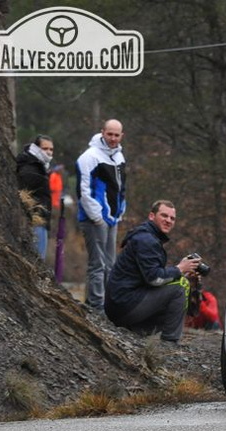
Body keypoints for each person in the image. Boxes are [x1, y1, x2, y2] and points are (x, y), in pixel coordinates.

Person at [105, 200, 202, 343]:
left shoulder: (147, 236)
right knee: (180, 287)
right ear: (152, 216)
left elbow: (152, 276)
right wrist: (179, 269)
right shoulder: (146, 240)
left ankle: (135, 330)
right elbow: (154, 279)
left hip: (120, 304)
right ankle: (170, 342)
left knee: (178, 281)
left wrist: (181, 271)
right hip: (123, 304)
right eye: (164, 216)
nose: (168, 220)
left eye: (172, 218)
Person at [76, 119, 127, 312]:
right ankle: (96, 307)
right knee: (97, 264)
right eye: (110, 134)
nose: (113, 138)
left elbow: (121, 187)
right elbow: (83, 191)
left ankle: (107, 305)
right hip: (94, 219)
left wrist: (120, 211)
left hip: (112, 218)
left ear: (122, 135)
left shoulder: (119, 156)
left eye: (116, 135)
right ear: (102, 132)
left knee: (110, 264)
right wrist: (97, 216)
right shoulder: (89, 157)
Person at [16, 134, 54, 260]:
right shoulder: (30, 167)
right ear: (36, 148)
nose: (49, 152)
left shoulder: (40, 167)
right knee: (37, 261)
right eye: (45, 148)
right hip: (35, 220)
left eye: (51, 149)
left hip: (41, 219)